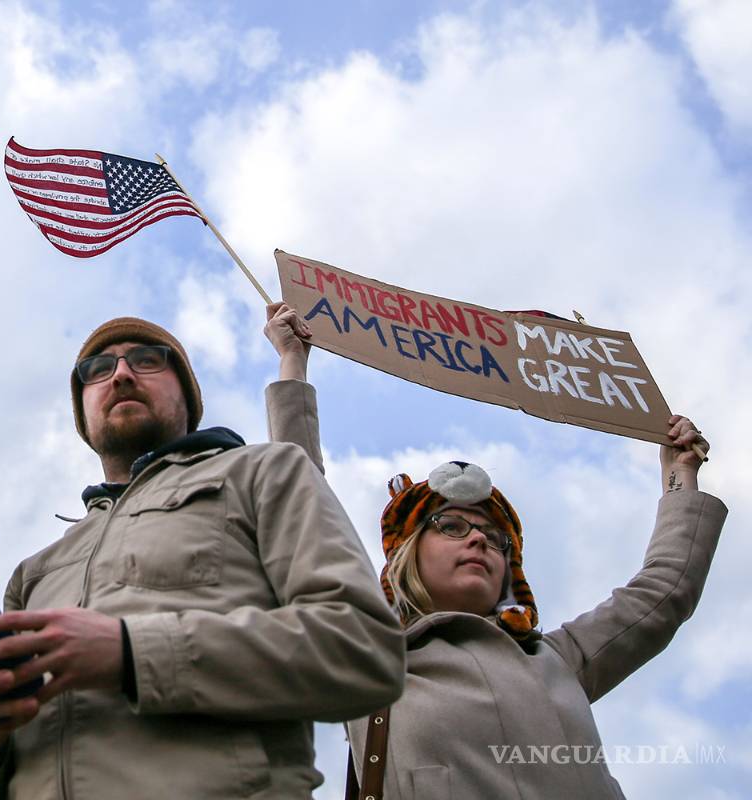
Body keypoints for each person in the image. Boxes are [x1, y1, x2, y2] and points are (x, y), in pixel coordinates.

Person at [263, 302, 728, 798]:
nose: (479, 538)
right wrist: (293, 361)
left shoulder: (559, 658)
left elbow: (665, 589)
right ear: (407, 554)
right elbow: (304, 506)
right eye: (451, 526)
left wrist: (679, 473)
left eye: (495, 536)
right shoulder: (364, 658)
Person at [0, 317, 406, 799]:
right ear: (82, 413)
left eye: (146, 359)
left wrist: (132, 652)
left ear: (189, 398)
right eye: (98, 369)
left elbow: (363, 645)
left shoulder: (262, 473)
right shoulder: (34, 572)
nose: (120, 375)